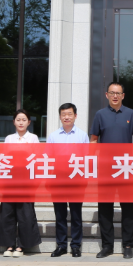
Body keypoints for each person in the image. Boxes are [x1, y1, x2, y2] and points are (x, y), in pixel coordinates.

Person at [91, 82, 133, 259]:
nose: (115, 96)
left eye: (118, 93)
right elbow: (93, 139)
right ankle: (107, 246)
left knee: (128, 207)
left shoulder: (130, 114)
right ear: (106, 95)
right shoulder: (100, 114)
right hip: (106, 168)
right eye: (112, 93)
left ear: (123, 96)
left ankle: (128, 245)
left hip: (125, 167)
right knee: (105, 207)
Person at [0, 109, 42, 258]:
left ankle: (21, 245)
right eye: (18, 119)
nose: (21, 122)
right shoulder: (9, 138)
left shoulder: (33, 138)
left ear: (29, 122)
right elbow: (4, 158)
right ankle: (9, 244)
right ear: (14, 122)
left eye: (24, 120)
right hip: (10, 179)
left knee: (25, 213)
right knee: (7, 212)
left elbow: (36, 158)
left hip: (27, 180)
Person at [49, 103, 91, 258]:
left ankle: (75, 245)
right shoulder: (53, 136)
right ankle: (61, 245)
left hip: (76, 178)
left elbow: (87, 158)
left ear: (75, 116)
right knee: (59, 214)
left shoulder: (82, 135)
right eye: (63, 114)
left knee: (75, 214)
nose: (67, 117)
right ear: (60, 117)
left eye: (70, 114)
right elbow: (48, 158)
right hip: (58, 179)